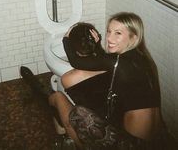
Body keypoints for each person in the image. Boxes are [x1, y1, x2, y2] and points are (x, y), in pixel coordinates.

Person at [48, 12, 168, 150]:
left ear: (134, 37)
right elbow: (107, 64)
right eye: (109, 31)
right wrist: (98, 45)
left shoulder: (117, 62)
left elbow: (76, 62)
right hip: (158, 139)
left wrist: (66, 39)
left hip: (132, 144)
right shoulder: (144, 59)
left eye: (118, 33)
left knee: (72, 109)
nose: (110, 38)